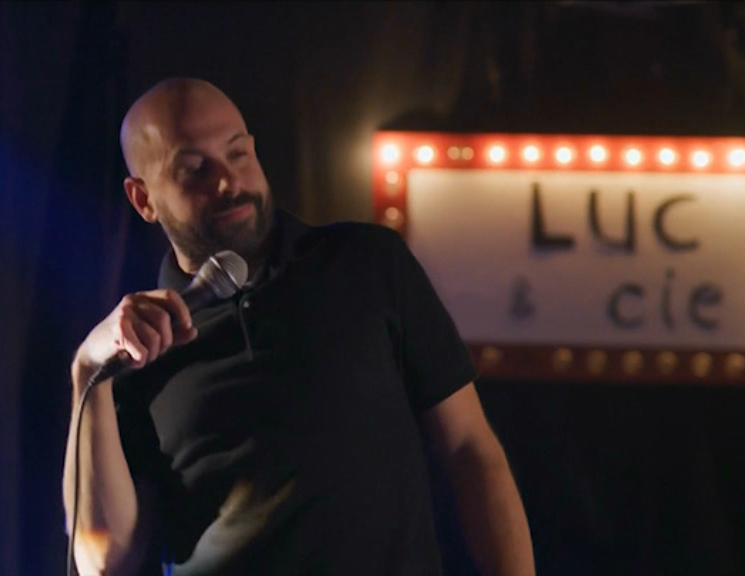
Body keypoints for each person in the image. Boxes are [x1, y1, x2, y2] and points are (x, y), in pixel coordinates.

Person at [62, 77, 535, 576]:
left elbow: (470, 450)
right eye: (195, 168)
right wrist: (88, 369)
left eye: (238, 153)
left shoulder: (366, 263)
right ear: (143, 200)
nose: (228, 181)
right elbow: (102, 559)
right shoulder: (137, 349)